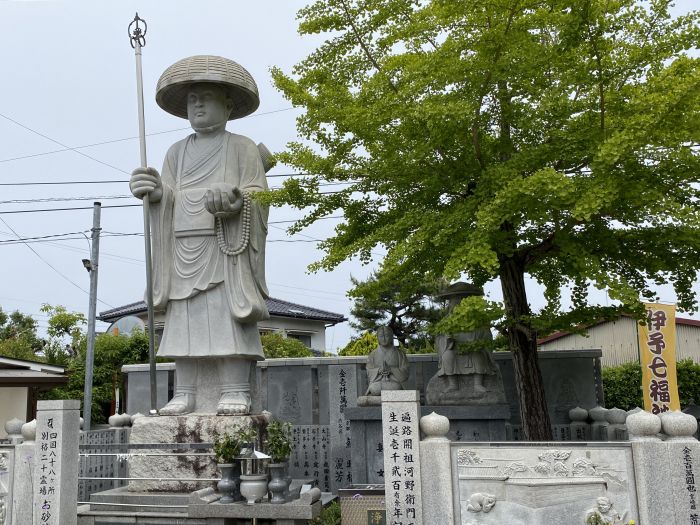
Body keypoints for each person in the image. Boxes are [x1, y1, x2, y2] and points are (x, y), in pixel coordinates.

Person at [129, 55, 269, 416]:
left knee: (227, 317)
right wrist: (155, 193)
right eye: (192, 99)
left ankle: (235, 389)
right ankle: (186, 391)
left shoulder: (242, 148)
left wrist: (236, 200)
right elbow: (168, 196)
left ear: (228, 104)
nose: (199, 104)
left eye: (206, 96)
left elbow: (258, 194)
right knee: (183, 322)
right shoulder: (176, 152)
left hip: (225, 248)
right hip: (181, 248)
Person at [365, 326, 409, 396]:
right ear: (378, 338)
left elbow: (405, 369)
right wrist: (378, 370)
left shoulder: (399, 353)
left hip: (394, 383)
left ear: (391, 337)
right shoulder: (372, 354)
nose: (384, 339)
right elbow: (369, 370)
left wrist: (391, 370)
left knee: (397, 387)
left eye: (387, 336)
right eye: (381, 336)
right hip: (378, 383)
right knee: (374, 388)